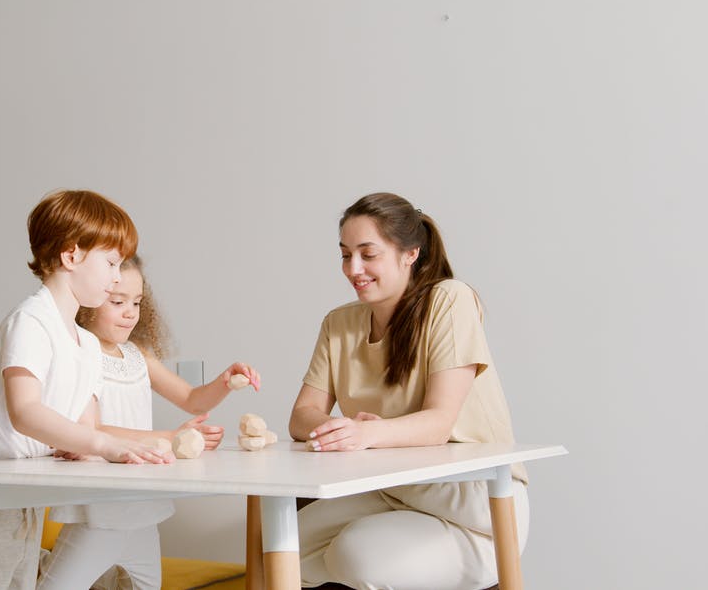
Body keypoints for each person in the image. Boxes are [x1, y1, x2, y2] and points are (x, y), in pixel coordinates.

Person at [0, 189, 172, 590]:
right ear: (71, 256)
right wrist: (104, 446)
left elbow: (85, 428)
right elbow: (26, 411)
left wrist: (111, 446)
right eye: (111, 262)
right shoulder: (31, 322)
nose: (118, 276)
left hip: (23, 495)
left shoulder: (84, 343)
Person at [288, 192, 528, 590]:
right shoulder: (339, 323)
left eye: (368, 254)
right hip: (393, 488)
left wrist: (366, 434)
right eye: (346, 254)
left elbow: (437, 424)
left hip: (471, 501)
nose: (354, 268)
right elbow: (301, 416)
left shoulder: (450, 300)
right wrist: (340, 429)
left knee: (354, 554)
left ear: (409, 253)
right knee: (280, 547)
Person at [38, 256, 261, 590]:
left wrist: (224, 382)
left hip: (142, 510)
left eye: (137, 302)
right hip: (101, 511)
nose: (130, 311)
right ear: (89, 301)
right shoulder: (81, 353)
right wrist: (169, 437)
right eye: (117, 302)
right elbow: (92, 430)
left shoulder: (136, 354)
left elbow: (191, 398)